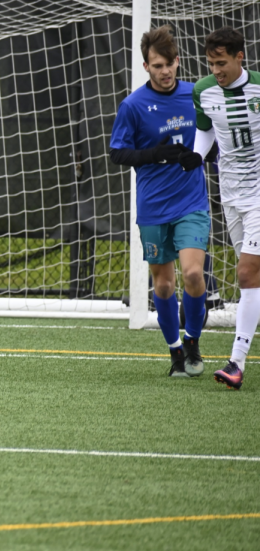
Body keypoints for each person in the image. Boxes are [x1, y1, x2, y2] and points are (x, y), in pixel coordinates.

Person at [109, 25, 210, 378]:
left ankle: (194, 340)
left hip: (191, 202)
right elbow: (118, 155)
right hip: (153, 207)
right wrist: (156, 154)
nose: (164, 71)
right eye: (157, 66)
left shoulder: (196, 96)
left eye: (169, 64)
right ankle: (175, 353)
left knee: (194, 274)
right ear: (145, 67)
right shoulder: (133, 106)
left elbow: (213, 138)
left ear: (178, 62)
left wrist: (199, 158)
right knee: (164, 284)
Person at [190, 27, 260, 390]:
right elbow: (206, 132)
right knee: (254, 279)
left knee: (247, 274)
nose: (216, 70)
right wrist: (195, 156)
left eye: (222, 63)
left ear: (239, 57)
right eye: (211, 63)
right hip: (229, 196)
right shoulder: (203, 92)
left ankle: (236, 363)